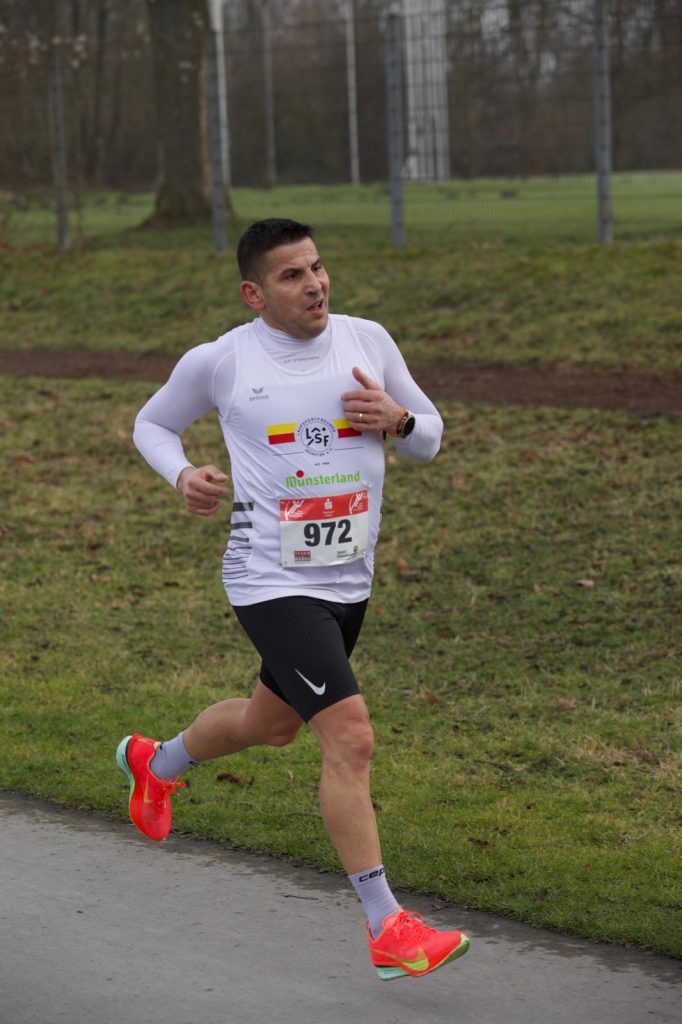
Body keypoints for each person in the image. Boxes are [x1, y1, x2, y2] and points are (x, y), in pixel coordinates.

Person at [116, 218, 470, 980]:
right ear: (254, 292)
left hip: (349, 580)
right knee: (350, 738)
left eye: (317, 268)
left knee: (267, 725)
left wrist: (399, 422)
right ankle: (387, 926)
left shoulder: (367, 340)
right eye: (291, 276)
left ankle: (157, 762)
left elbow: (430, 437)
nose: (314, 285)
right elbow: (152, 423)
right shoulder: (221, 361)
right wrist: (182, 475)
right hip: (270, 579)